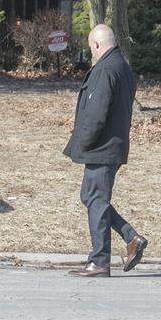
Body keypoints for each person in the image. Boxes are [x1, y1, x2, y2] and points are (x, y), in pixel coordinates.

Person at [63, 24, 148, 277]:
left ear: (98, 44)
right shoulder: (122, 66)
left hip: (102, 147)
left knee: (96, 201)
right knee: (90, 197)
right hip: (113, 145)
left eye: (92, 48)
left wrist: (82, 143)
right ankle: (131, 237)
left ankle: (100, 261)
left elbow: (96, 114)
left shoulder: (104, 69)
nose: (92, 53)